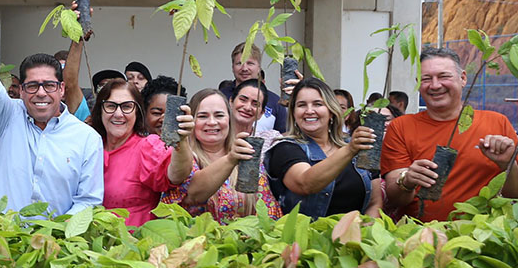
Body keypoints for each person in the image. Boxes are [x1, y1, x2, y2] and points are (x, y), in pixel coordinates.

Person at [0, 0, 103, 216]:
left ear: (61, 89)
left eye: (49, 85)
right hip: (7, 243)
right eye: (32, 86)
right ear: (21, 91)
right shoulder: (8, 116)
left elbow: (88, 201)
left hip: (59, 246)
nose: (41, 93)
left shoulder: (87, 138)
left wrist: (55, 235)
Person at [381, 46, 518, 222]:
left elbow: (514, 194)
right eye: (426, 79)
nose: (435, 85)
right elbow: (395, 198)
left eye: (444, 76)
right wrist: (407, 180)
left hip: (483, 235)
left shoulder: (497, 123)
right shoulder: (401, 126)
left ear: (463, 78)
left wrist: (507, 164)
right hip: (419, 235)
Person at [266, 78, 382, 219]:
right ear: (294, 113)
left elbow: (374, 203)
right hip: (305, 237)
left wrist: (366, 231)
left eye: (318, 104)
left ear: (331, 111)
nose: (309, 111)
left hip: (356, 237)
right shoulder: (285, 148)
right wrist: (350, 150)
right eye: (302, 105)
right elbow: (305, 184)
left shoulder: (355, 145)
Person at [162, 89, 281, 223]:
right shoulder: (183, 158)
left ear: (229, 119)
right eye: (202, 116)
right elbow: (192, 195)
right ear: (190, 121)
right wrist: (231, 159)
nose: (212, 122)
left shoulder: (244, 154)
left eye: (219, 115)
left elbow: (268, 209)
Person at [89, 80, 193, 225]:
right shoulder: (89, 146)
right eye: (111, 106)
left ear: (137, 111)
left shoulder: (147, 147)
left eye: (127, 107)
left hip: (135, 243)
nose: (118, 114)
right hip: (89, 243)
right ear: (100, 110)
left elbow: (176, 175)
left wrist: (181, 140)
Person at [219, 43, 287, 133]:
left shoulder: (275, 101)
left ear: (259, 68)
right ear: (232, 67)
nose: (244, 68)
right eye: (239, 63)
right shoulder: (220, 97)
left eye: (250, 63)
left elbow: (283, 136)